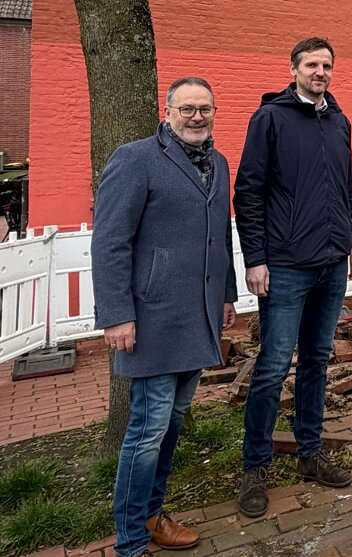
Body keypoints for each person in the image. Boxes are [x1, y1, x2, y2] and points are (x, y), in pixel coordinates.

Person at [92, 78, 237, 557]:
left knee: (172, 421)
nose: (197, 117)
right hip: (152, 318)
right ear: (168, 111)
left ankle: (153, 515)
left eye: (205, 109)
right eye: (187, 108)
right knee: (148, 429)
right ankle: (131, 540)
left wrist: (226, 295)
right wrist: (117, 314)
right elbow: (110, 240)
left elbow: (220, 234)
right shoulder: (135, 159)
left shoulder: (218, 163)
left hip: (198, 316)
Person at [234, 37, 352, 518]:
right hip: (286, 265)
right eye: (311, 64)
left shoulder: (339, 121)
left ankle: (310, 453)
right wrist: (256, 258)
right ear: (293, 69)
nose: (320, 72)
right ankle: (255, 468)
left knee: (315, 362)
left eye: (327, 65)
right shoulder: (270, 119)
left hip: (332, 263)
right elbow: (248, 191)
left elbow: (346, 187)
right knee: (272, 368)